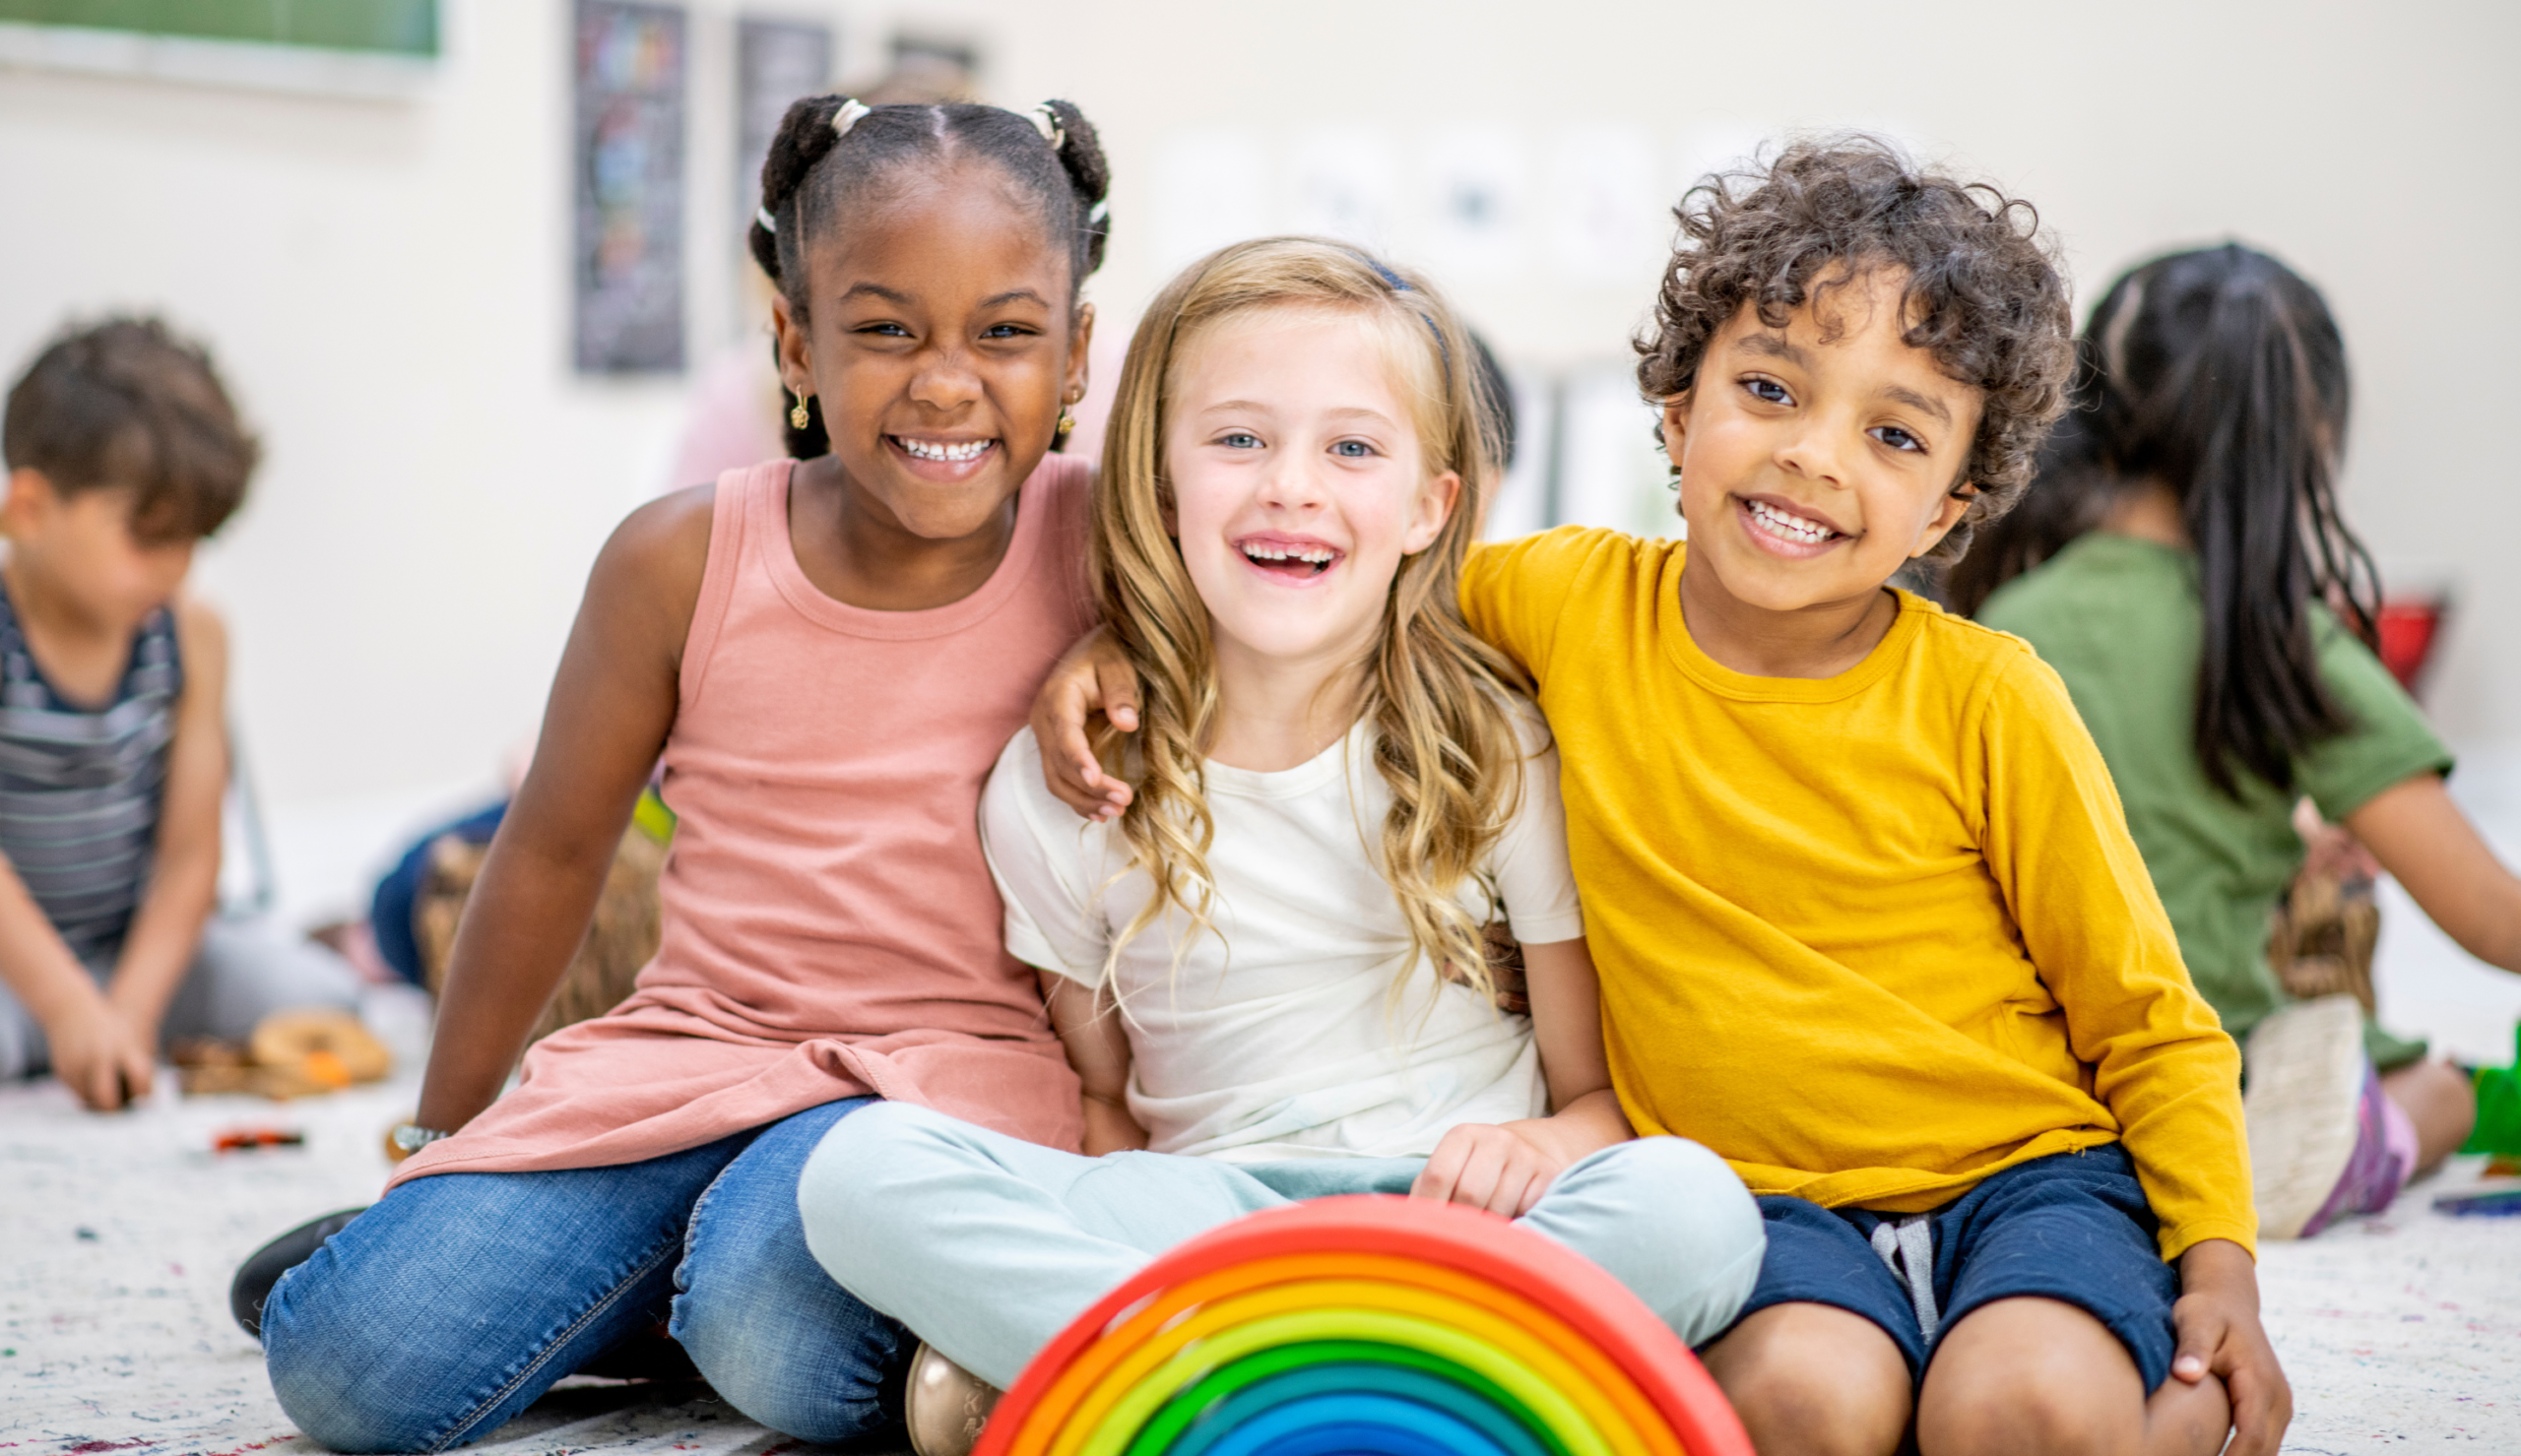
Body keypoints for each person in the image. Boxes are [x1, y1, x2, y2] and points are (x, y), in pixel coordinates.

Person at [1033, 143, 2290, 1456]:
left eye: (1894, 434)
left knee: (2019, 1410)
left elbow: (2152, 1020)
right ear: (1680, 412)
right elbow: (1323, 596)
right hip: (1756, 1194)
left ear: (1948, 508)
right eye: (1769, 387)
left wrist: (2224, 1274)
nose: (1812, 455)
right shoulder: (1560, 598)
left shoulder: (1992, 696)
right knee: (1800, 1405)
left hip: (2026, 1173)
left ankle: (2176, 1416)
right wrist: (1121, 643)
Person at [241, 95, 1115, 1452]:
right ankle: (646, 1283)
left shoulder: (1116, 550)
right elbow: (548, 850)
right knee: (344, 1364)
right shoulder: (677, 558)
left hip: (941, 1098)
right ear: (794, 340)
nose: (946, 381)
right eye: (884, 328)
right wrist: (445, 1140)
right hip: (694, 1053)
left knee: (773, 1330)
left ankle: (684, 1292)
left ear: (1074, 355)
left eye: (1005, 332)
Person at [797, 237, 1762, 1456]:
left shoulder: (1497, 745)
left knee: (1694, 1209)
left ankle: (1208, 1393)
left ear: (1428, 507)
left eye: (1352, 448)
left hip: (1453, 1213)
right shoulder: (1061, 785)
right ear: (1157, 488)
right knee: (857, 1173)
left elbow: (1590, 1100)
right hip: (1208, 1218)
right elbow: (1105, 1101)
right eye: (1239, 440)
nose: (1290, 488)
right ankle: (1376, 1391)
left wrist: (1538, 1146)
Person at [1960, 245, 2521, 1237]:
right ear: (2302, 439)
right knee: (2438, 1081)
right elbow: (2491, 920)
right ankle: (2291, 1150)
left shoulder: (2002, 612)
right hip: (2208, 1055)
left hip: (2030, 1065)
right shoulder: (2281, 646)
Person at [0, 318, 360, 1109]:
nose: (176, 568)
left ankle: (106, 1035)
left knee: (324, 999)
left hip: (139, 953)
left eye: (192, 540)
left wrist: (127, 1010)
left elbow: (190, 856)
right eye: (146, 537)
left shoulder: (192, 635)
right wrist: (67, 1009)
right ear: (28, 508)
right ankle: (61, 1037)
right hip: (13, 962)